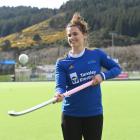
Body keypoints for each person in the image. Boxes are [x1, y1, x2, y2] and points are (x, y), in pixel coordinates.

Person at [55, 12, 121, 140]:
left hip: (93, 114)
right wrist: (59, 93)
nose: (72, 37)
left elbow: (116, 69)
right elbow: (60, 85)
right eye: (69, 35)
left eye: (75, 34)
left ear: (84, 35)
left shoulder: (96, 54)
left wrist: (102, 75)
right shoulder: (62, 63)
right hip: (70, 115)